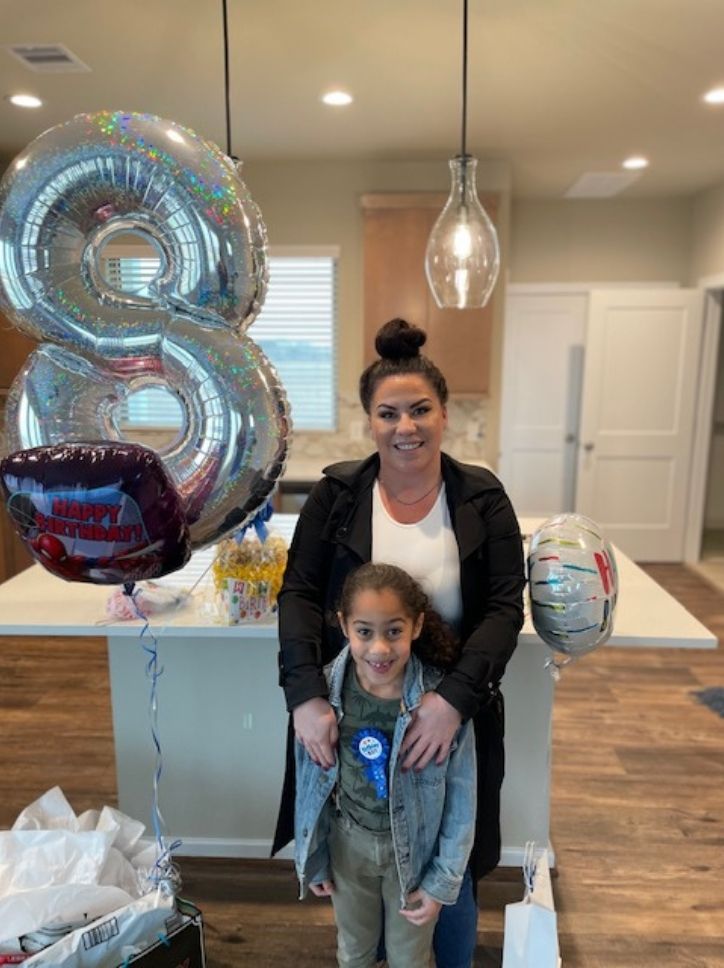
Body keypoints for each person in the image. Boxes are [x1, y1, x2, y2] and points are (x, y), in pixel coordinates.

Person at [273, 317, 526, 967]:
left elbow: (503, 607)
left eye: (420, 409)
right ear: (369, 421)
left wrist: (453, 703)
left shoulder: (482, 499)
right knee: (358, 850)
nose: (405, 426)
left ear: (446, 414)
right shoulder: (336, 497)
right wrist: (304, 696)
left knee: (449, 849)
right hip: (354, 704)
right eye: (388, 413)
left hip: (452, 709)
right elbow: (299, 595)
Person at [295, 562, 476, 968]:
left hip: (413, 856)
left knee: (409, 958)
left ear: (416, 626)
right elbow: (310, 782)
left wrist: (441, 881)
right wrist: (317, 855)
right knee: (353, 952)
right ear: (344, 626)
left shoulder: (441, 705)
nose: (379, 649)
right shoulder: (322, 696)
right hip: (348, 848)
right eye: (365, 632)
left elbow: (463, 799)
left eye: (393, 631)